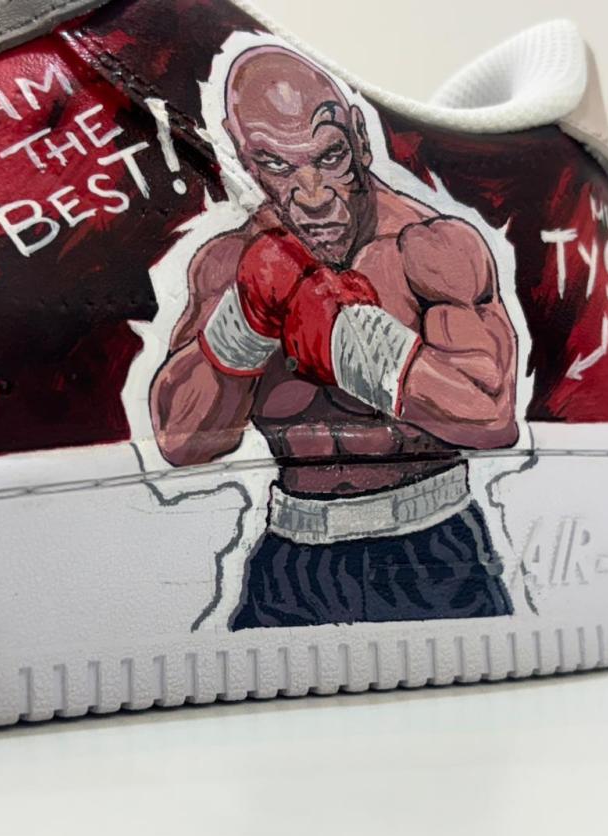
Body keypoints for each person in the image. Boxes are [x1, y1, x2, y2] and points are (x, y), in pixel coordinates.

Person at [150, 45, 518, 629]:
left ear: (360, 140)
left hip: (431, 551)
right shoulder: (228, 265)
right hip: (291, 556)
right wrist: (245, 322)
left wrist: (352, 341)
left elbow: (492, 415)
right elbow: (182, 439)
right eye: (276, 165)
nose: (314, 194)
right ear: (241, 157)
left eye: (330, 157)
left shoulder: (429, 248)